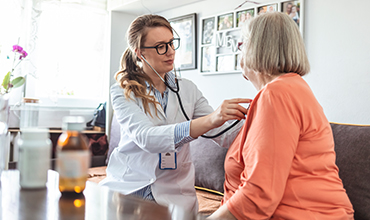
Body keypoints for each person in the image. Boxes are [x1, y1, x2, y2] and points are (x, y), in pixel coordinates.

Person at [208, 12, 354, 220]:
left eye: (241, 46)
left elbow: (258, 194)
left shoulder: (276, 94)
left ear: (256, 49)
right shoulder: (291, 89)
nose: (240, 54)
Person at [99, 14, 250, 214]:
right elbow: (147, 138)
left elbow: (223, 133)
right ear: (140, 53)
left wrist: (257, 125)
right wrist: (210, 120)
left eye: (171, 43)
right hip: (129, 189)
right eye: (161, 46)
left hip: (174, 195)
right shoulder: (122, 91)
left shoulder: (188, 90)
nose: (170, 52)